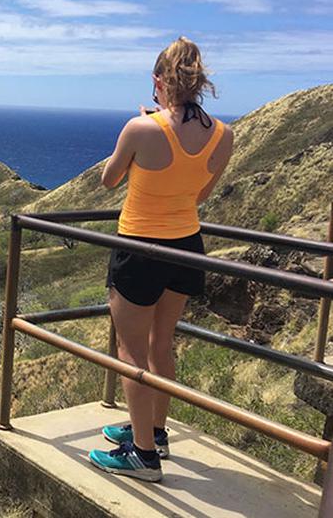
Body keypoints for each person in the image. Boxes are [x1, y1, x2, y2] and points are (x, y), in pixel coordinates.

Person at [88, 36, 235, 482]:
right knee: (161, 344)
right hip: (187, 246)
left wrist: (144, 130)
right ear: (198, 82)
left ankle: (143, 456)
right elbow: (200, 193)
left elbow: (108, 181)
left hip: (140, 248)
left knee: (129, 350)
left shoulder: (142, 129)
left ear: (159, 82)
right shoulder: (224, 134)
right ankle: (155, 430)